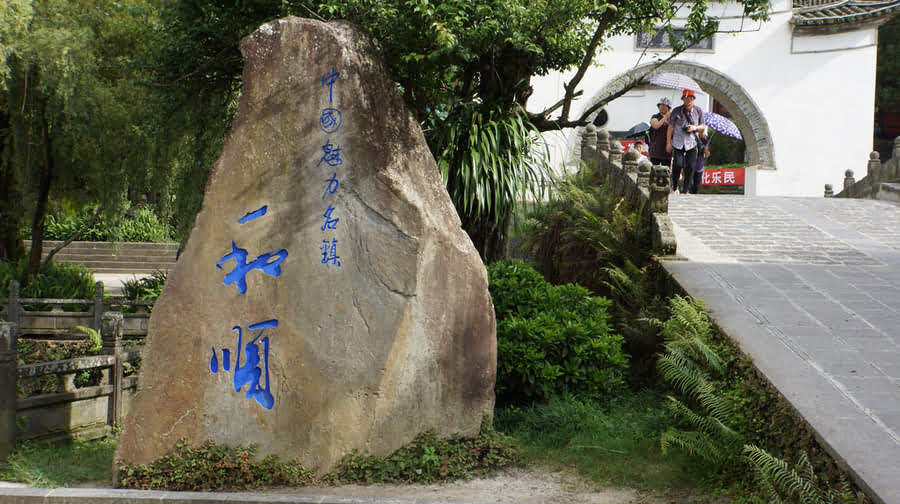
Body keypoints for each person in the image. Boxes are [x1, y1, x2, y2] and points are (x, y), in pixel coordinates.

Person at [666, 89, 706, 193]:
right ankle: (674, 186)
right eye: (686, 98)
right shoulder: (676, 111)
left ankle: (685, 189)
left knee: (691, 166)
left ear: (693, 99)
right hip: (678, 142)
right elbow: (670, 127)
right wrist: (668, 142)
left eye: (690, 98)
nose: (688, 100)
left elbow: (703, 126)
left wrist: (694, 127)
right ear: (683, 99)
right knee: (677, 164)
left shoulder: (698, 111)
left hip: (692, 142)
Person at [648, 97, 671, 166]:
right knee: (654, 170)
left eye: (665, 105)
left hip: (667, 150)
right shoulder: (655, 117)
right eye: (661, 105)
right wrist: (665, 118)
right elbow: (656, 126)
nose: (663, 107)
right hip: (656, 150)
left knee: (665, 171)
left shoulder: (672, 118)